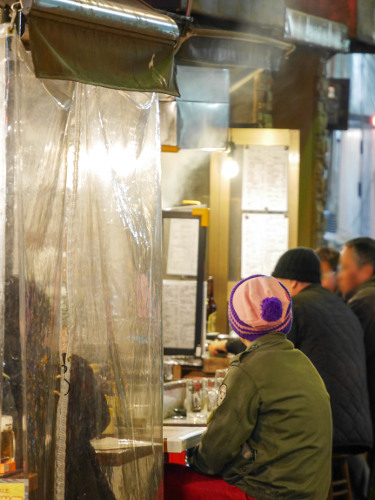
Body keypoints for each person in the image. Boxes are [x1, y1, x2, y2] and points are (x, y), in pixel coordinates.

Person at [165, 275, 332, 500]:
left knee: (163, 477)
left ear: (237, 323)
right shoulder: (303, 362)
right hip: (311, 492)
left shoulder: (248, 368)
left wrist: (193, 459)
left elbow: (214, 454)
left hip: (269, 494)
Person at [272, 247, 373, 500]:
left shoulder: (296, 307)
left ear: (292, 281)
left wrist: (228, 345)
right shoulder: (342, 306)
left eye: (278, 282)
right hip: (356, 434)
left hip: (321, 431)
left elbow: (268, 350)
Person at [338, 237, 375, 497]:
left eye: (344, 267)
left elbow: (349, 360)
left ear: (365, 270)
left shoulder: (362, 304)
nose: (339, 275)